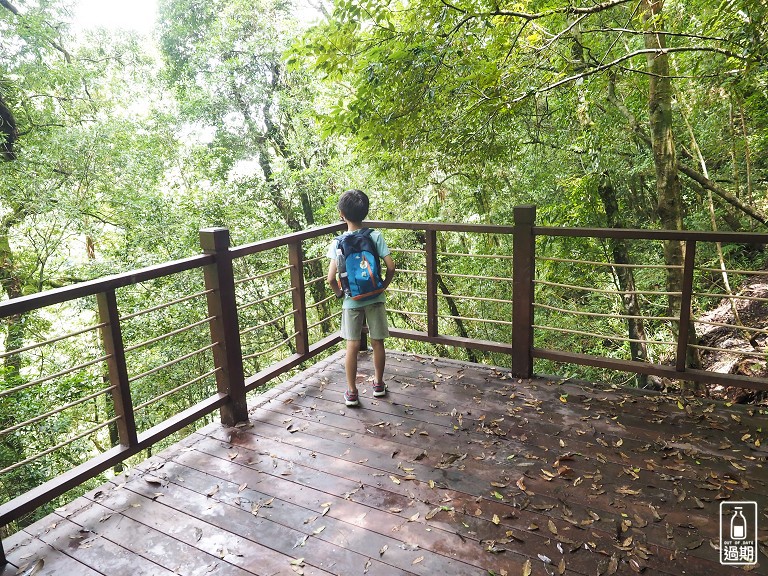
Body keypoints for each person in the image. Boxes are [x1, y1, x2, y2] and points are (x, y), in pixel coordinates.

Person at [327, 189, 395, 406]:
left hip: (351, 300)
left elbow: (330, 278)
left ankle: (352, 392)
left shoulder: (338, 243)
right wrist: (382, 286)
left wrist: (341, 294)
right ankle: (378, 384)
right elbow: (391, 266)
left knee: (352, 345)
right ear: (365, 212)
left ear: (341, 214)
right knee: (377, 342)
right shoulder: (374, 236)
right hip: (375, 297)